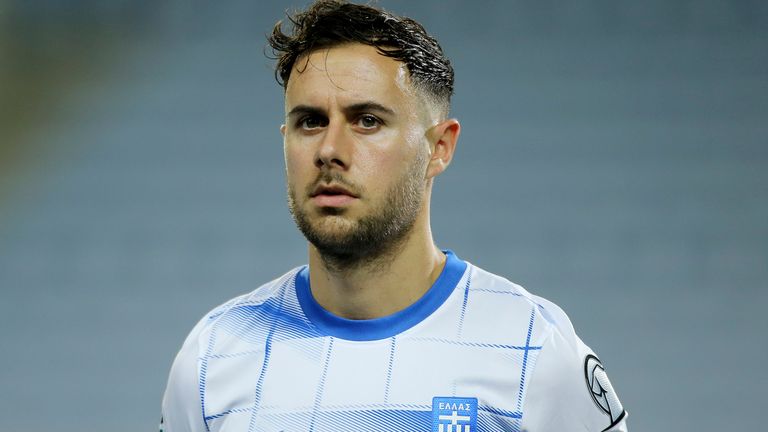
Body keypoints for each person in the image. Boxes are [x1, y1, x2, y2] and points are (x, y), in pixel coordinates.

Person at [160, 1, 628, 431]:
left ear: (438, 147)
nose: (329, 150)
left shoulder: (535, 350)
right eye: (310, 122)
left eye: (367, 121)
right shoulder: (213, 356)